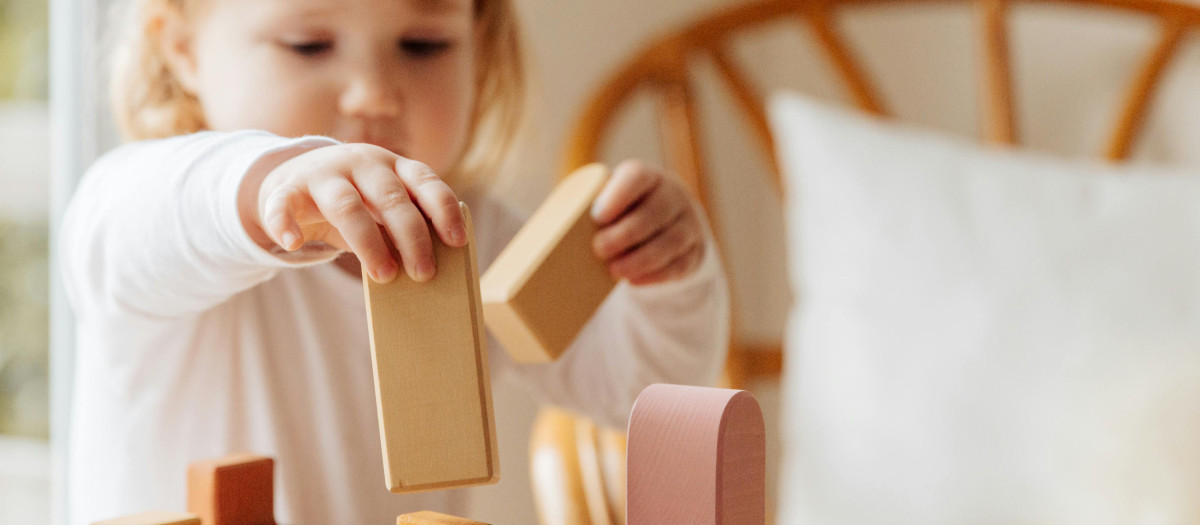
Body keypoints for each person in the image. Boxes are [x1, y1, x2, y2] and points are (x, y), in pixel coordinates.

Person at [61, 0, 729, 522]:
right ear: (182, 51)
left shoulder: (474, 232)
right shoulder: (167, 210)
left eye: (423, 44)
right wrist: (267, 187)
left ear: (480, 48)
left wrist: (666, 280)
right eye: (308, 44)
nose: (374, 92)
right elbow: (121, 230)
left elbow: (638, 392)